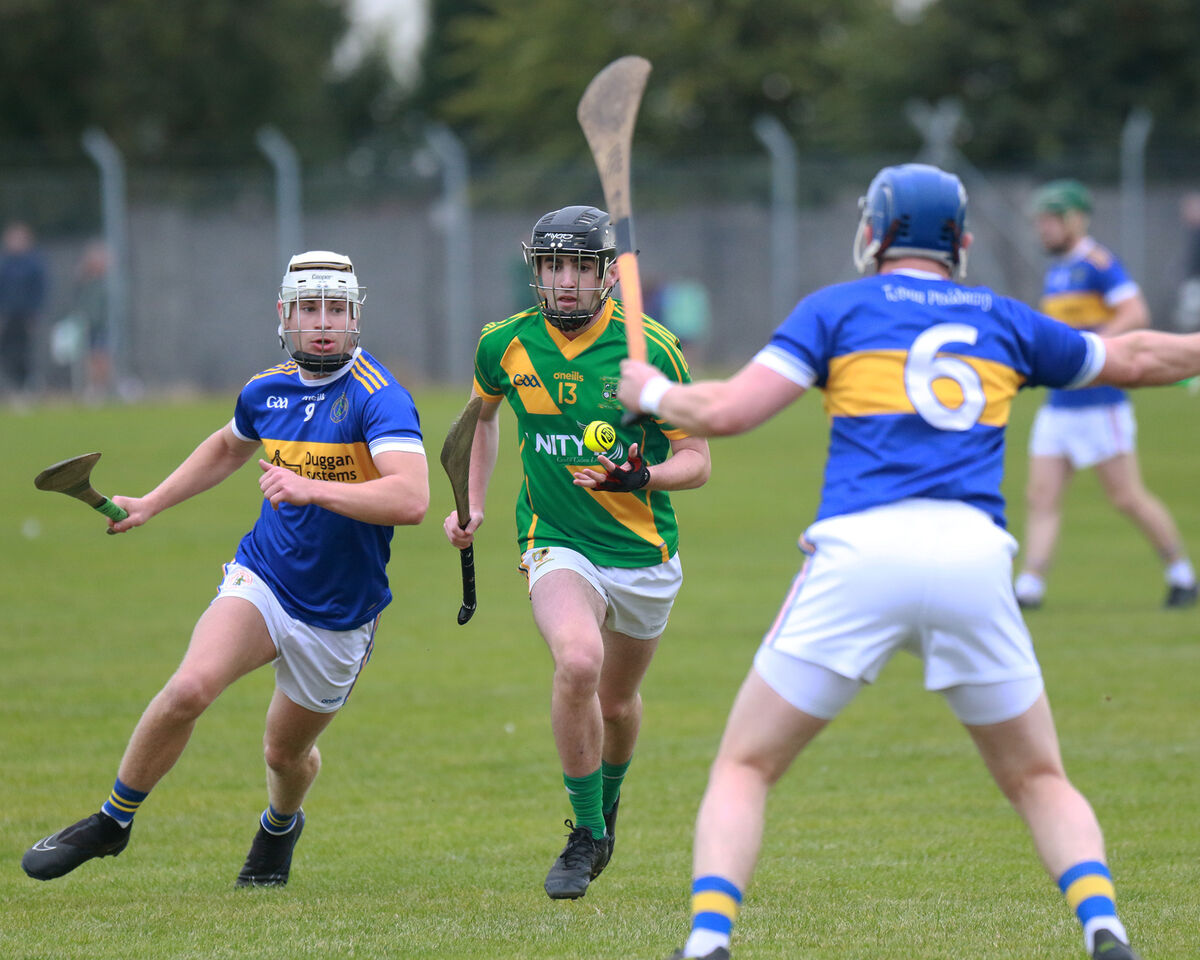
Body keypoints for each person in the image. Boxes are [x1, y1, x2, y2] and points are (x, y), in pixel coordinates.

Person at [617, 164, 1184, 960]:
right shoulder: (1005, 318)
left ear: (876, 231)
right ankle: (1105, 927)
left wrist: (650, 393)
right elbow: (1142, 358)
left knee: (745, 765)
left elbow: (727, 412)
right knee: (1039, 779)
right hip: (974, 557)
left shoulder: (838, 310)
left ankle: (709, 941)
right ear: (960, 241)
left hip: (862, 554)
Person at [22, 250, 429, 886]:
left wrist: (311, 489)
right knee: (189, 687)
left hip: (340, 614)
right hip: (264, 578)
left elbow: (411, 499)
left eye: (336, 309)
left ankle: (279, 824)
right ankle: (112, 822)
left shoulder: (381, 399)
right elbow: (225, 446)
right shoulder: (266, 388)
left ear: (356, 316)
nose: (323, 322)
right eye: (309, 308)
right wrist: (151, 503)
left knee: (285, 753)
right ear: (284, 315)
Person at [442, 205, 711, 900]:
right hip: (556, 540)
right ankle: (585, 833)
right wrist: (473, 501)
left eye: (580, 267)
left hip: (643, 550)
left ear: (606, 276)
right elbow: (483, 422)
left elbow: (698, 460)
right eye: (552, 266)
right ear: (536, 271)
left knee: (618, 706)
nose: (564, 281)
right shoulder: (503, 344)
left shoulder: (651, 350)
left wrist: (638, 475)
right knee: (578, 662)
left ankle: (607, 802)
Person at [1012, 179, 1196, 610]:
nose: (1043, 229)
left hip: (1101, 403)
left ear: (1074, 219)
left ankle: (1181, 574)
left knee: (1126, 496)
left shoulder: (1098, 263)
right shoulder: (1056, 270)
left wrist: (1096, 351)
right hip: (1060, 405)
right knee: (1041, 496)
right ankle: (1030, 586)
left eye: (1051, 220)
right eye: (1040, 220)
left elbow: (1136, 312)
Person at [0, 220, 48, 397]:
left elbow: (40, 289)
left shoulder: (33, 264)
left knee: (24, 352)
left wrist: (35, 312)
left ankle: (29, 384)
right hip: (8, 315)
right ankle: (16, 385)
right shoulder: (4, 263)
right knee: (6, 351)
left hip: (25, 314)